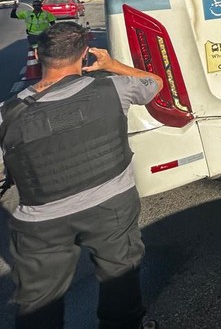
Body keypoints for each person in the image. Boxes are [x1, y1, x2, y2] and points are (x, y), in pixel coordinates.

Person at [0, 21, 162, 329]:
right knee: (120, 276)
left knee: (39, 301)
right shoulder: (114, 87)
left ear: (39, 54)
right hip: (111, 206)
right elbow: (154, 82)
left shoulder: (8, 113)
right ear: (85, 53)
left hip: (41, 222)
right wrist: (112, 65)